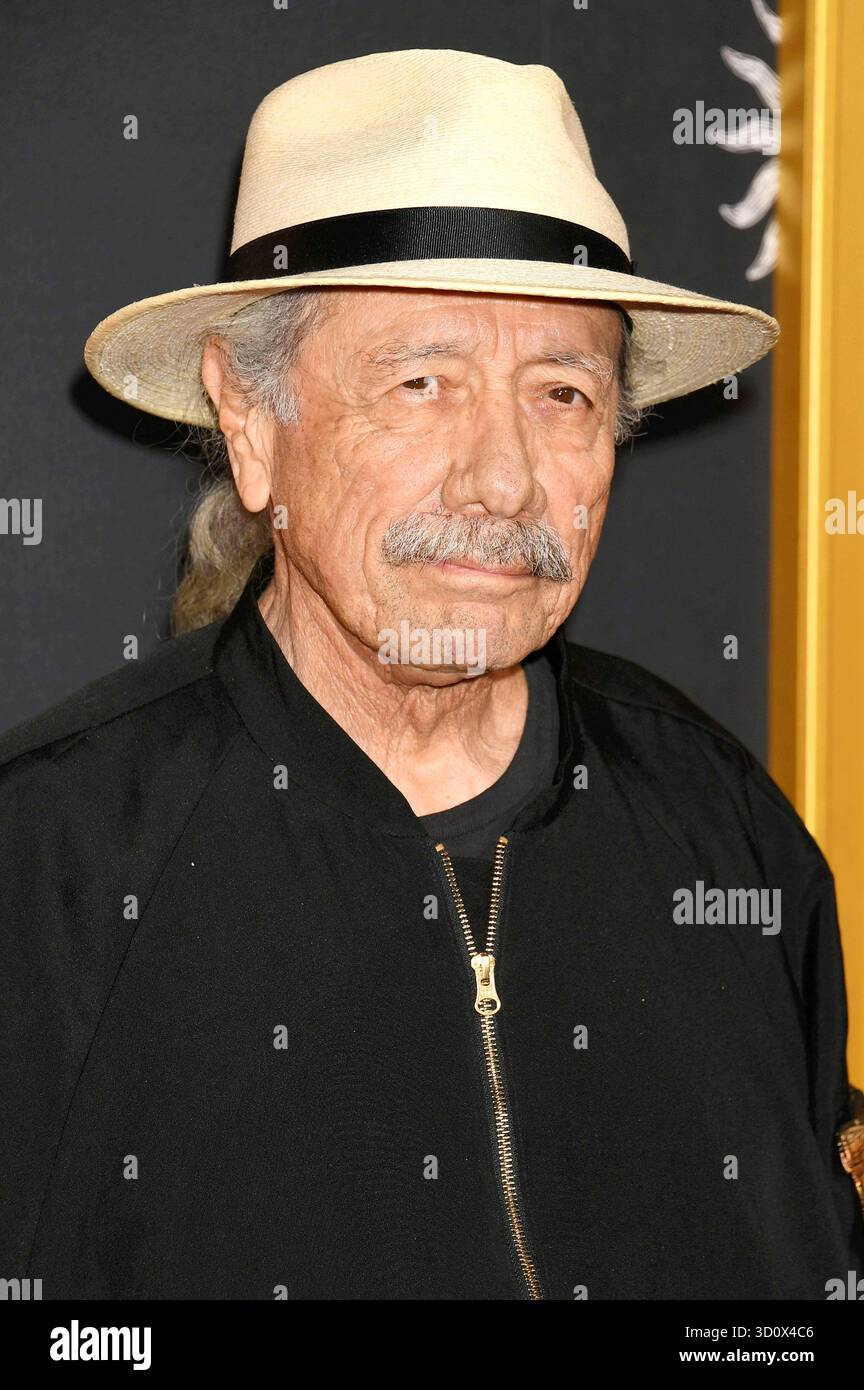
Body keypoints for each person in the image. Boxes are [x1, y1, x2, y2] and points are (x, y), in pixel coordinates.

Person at [1, 48, 861, 1300]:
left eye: (561, 393)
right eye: (423, 383)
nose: (503, 479)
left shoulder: (728, 835)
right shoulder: (48, 873)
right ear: (249, 422)